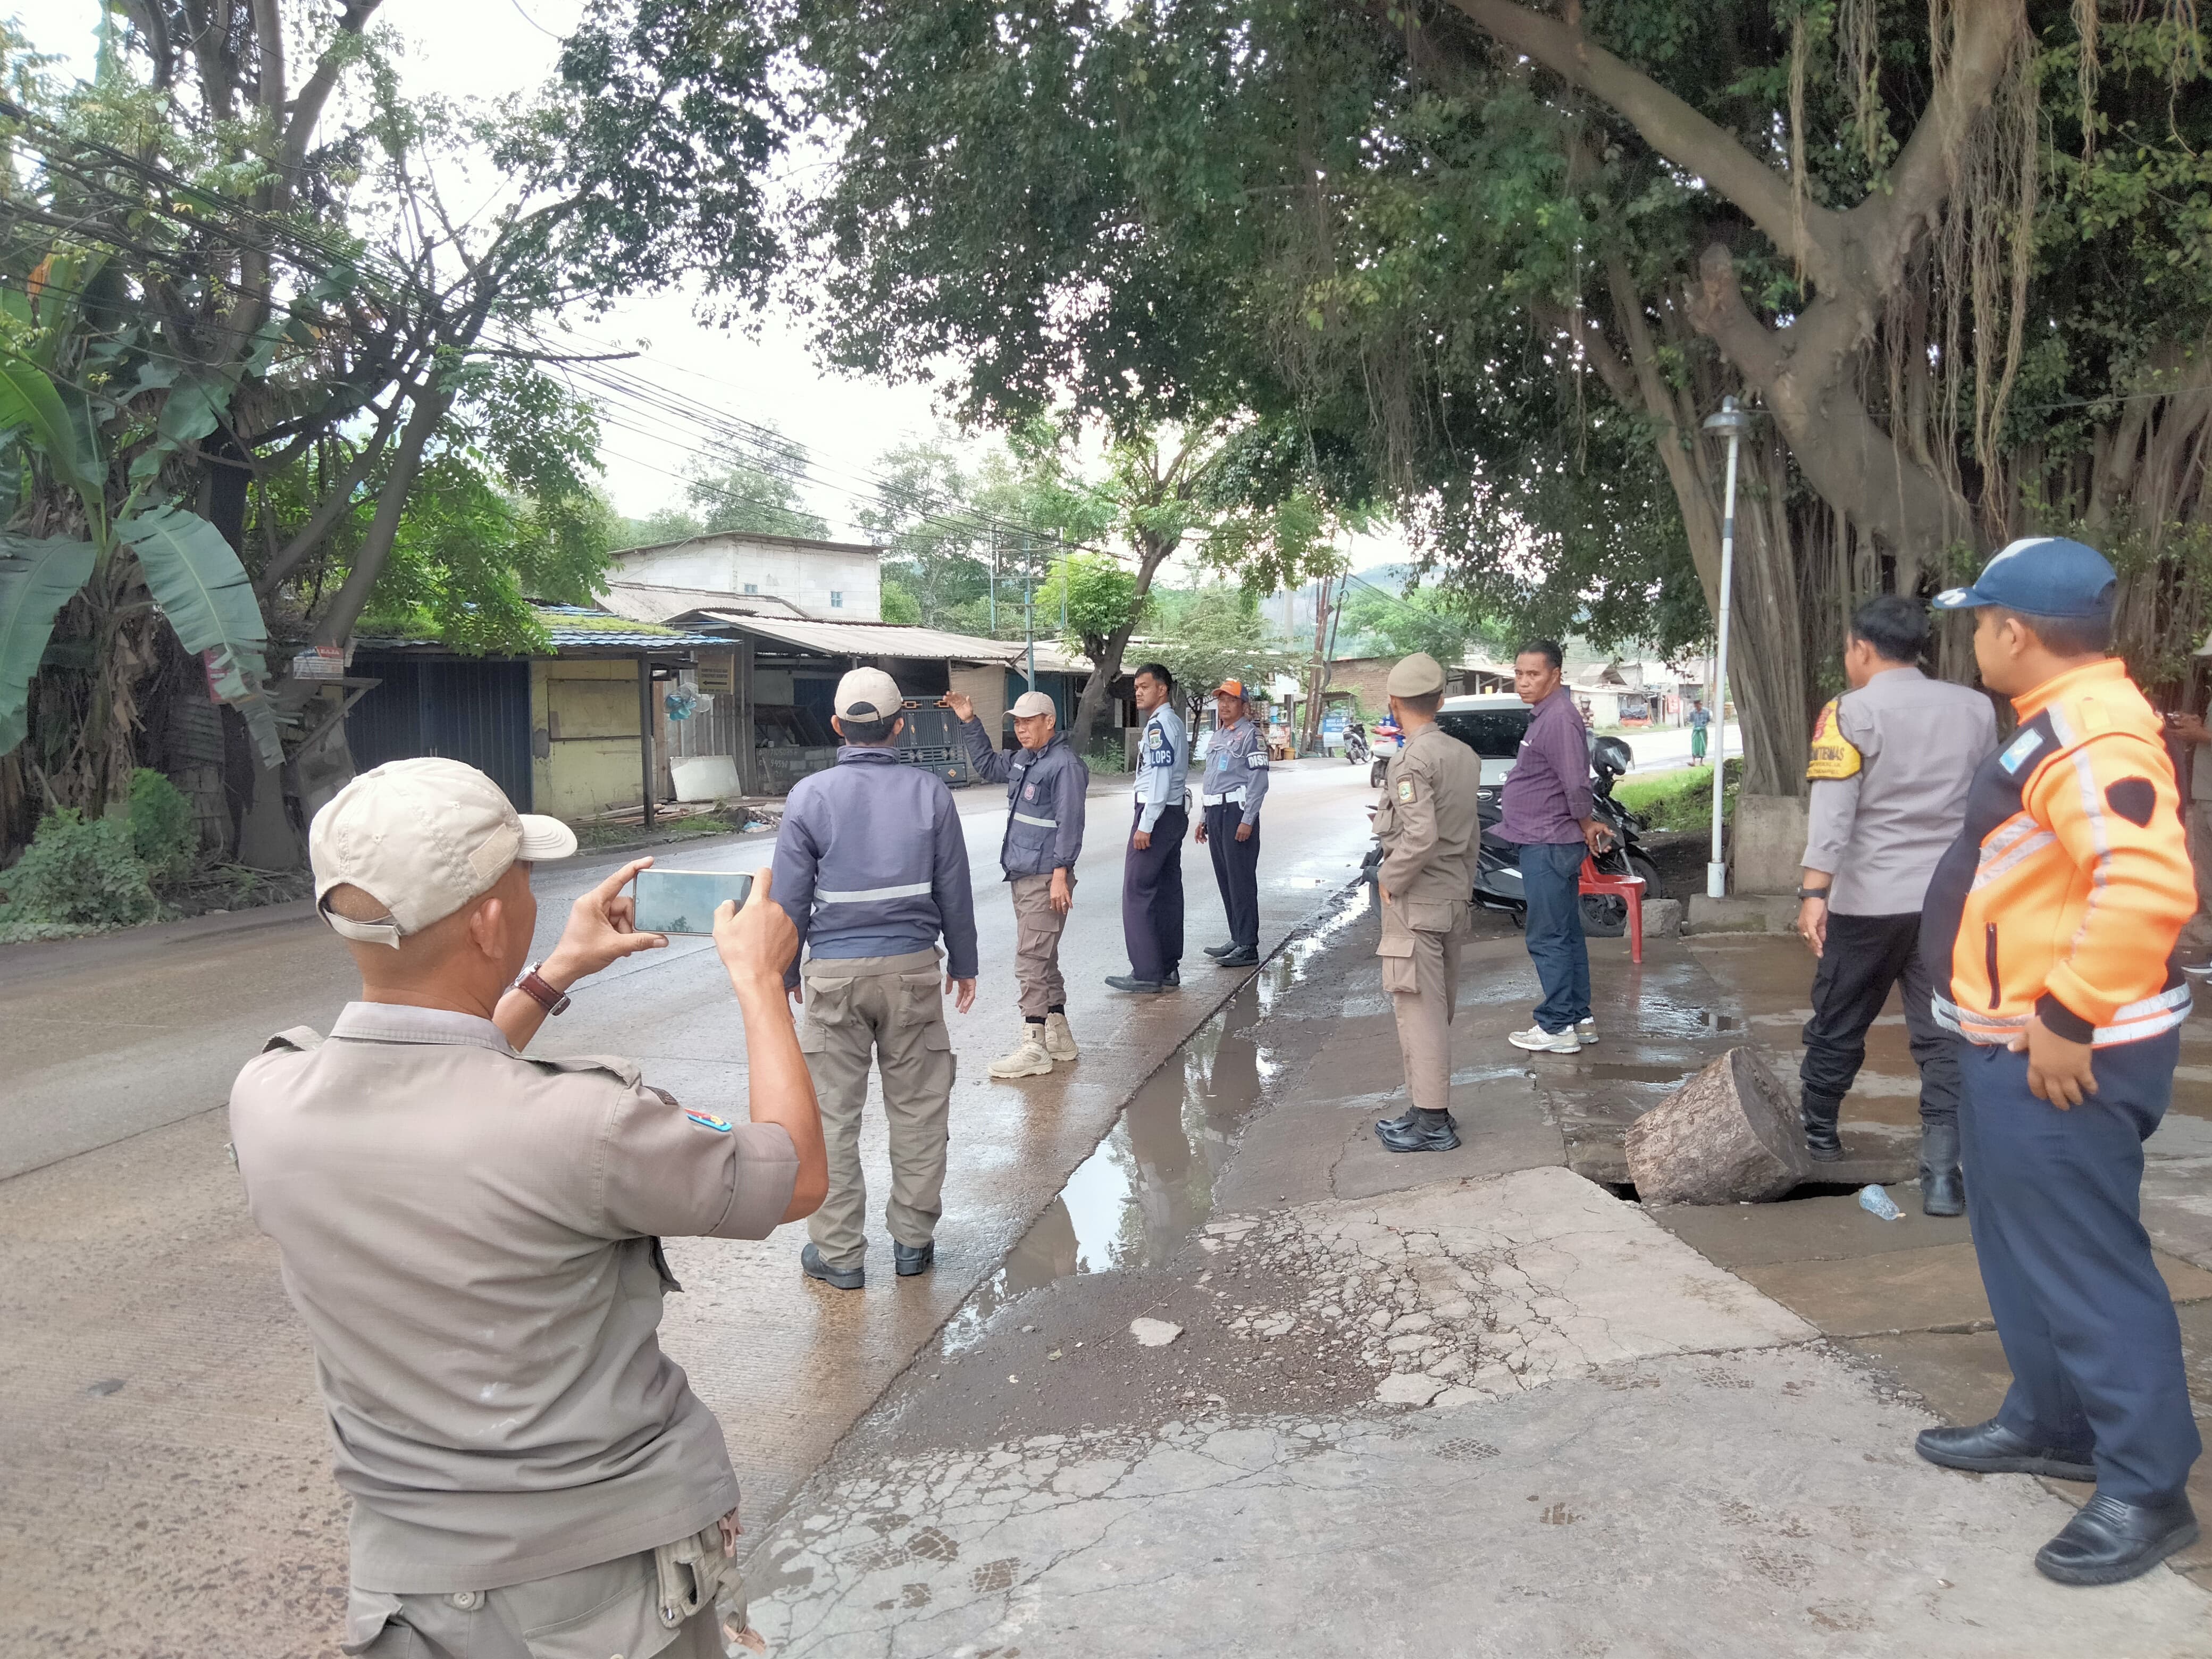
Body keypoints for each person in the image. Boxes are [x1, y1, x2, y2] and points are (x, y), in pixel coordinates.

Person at [229, 758, 827, 1659]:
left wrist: (555, 975)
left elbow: (432, 1082)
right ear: (489, 922)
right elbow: (798, 1176)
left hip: (407, 1596)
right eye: (523, 876)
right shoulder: (588, 1127)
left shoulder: (267, 1098)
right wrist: (759, 982)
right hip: (605, 1592)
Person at [1915, 536, 2201, 1586]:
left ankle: (2147, 1487)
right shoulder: (2057, 719)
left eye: (1978, 623)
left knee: (2085, 1266)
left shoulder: (2091, 731)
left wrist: (2070, 1015)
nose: (1974, 640)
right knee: (2024, 1251)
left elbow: (2147, 885)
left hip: (2064, 1058)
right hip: (2009, 1044)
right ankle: (2053, 1421)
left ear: (2013, 632)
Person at [772, 668, 978, 1291]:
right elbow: (954, 888)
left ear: (838, 726)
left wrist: (785, 972)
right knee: (918, 1112)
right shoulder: (930, 793)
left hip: (832, 977)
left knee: (832, 1118)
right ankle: (912, 1245)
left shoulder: (808, 797)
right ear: (900, 726)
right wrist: (963, 964)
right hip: (912, 971)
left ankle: (839, 1255)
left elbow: (789, 901)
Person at [1794, 594, 1997, 1214]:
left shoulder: (1848, 712)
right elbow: (1986, 802)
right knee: (1943, 1035)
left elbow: (1832, 815)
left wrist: (1813, 892)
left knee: (1838, 1018)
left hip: (1867, 900)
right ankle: (1940, 1176)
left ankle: (1818, 1140)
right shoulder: (1974, 708)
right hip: (1949, 899)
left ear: (1861, 648)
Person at [1369, 652, 1484, 1153]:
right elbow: (1470, 834)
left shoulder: (1410, 760)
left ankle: (1433, 1121)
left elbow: (1420, 835)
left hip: (1418, 901)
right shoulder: (1464, 755)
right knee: (1435, 1008)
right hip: (1451, 895)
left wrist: (1389, 877)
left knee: (1421, 1013)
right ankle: (1424, 1108)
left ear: (1394, 703)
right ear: (1439, 701)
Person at [946, 686, 1088, 1078]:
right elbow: (988, 765)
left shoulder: (1064, 766)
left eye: (1028, 722)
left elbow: (1070, 824)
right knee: (1044, 957)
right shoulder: (1025, 760)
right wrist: (969, 722)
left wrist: (1060, 874)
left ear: (1050, 722)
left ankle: (1034, 1045)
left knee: (1031, 959)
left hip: (1045, 876)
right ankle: (1059, 1037)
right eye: (1017, 723)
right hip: (1025, 872)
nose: (1021, 729)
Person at [1499, 640, 1612, 1054]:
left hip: (1548, 841)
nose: (1523, 682)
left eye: (1533, 674)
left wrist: (1586, 823)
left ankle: (1557, 1026)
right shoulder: (1547, 715)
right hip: (1546, 839)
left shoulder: (1559, 718)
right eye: (1519, 673)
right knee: (1565, 933)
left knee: (1547, 936)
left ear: (1555, 675)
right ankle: (1579, 1018)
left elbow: (1576, 784)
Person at [1108, 661, 1188, 994]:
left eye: (1145, 687)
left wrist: (1146, 824)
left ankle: (1146, 972)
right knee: (1167, 891)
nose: (1138, 693)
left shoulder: (1159, 726)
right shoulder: (1173, 722)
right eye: (1136, 688)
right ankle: (1167, 967)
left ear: (1162, 689)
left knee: (1138, 891)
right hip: (1172, 813)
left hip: (1157, 814)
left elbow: (1159, 778)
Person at [1196, 678, 1269, 968]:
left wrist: (1248, 819)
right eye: (1221, 700)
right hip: (1216, 812)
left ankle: (1248, 945)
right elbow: (1211, 779)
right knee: (1226, 878)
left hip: (1237, 813)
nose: (1224, 705)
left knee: (1241, 880)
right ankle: (1237, 937)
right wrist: (1204, 817)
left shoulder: (1251, 736)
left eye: (1231, 700)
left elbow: (1258, 782)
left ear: (1244, 705)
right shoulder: (1218, 736)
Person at [1688, 698, 1711, 765]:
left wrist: (1703, 726)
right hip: (1696, 730)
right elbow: (1691, 720)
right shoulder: (1693, 712)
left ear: (1700, 704)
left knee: (1703, 745)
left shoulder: (1706, 711)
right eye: (1696, 706)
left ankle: (1701, 762)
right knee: (1694, 745)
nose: (1697, 707)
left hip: (1703, 730)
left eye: (1698, 705)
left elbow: (1708, 720)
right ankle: (1694, 761)